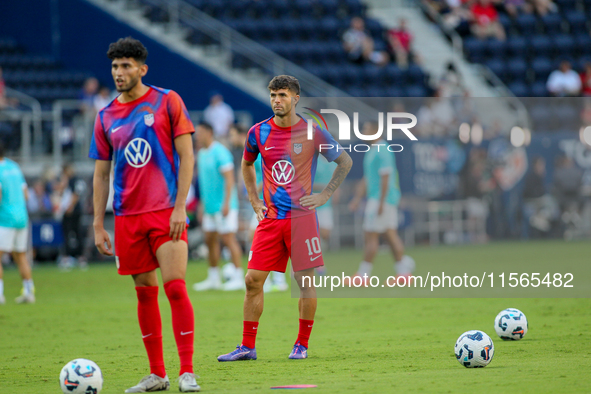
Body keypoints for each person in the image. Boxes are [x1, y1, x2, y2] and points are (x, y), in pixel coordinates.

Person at [89, 37, 199, 392]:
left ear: (141, 68)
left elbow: (187, 156)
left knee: (176, 287)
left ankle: (187, 372)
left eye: (125, 66)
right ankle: (158, 374)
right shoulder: (105, 116)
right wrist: (97, 224)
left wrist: (181, 205)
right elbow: (101, 173)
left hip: (166, 211)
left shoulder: (167, 101)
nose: (119, 73)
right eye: (115, 67)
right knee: (144, 293)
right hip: (127, 217)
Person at [217, 75, 352, 361]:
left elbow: (345, 161)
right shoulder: (258, 132)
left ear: (295, 98)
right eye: (273, 95)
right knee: (253, 280)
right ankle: (247, 347)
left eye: (282, 95)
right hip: (270, 219)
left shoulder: (312, 132)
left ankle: (301, 344)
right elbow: (246, 164)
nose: (277, 100)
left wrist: (324, 195)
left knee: (304, 281)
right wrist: (253, 199)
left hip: (301, 219)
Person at [348, 121, 415, 286]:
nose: (363, 132)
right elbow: (368, 177)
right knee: (390, 235)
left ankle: (363, 275)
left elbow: (386, 177)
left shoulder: (382, 150)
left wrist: (381, 202)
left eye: (366, 128)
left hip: (381, 199)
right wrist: (357, 198)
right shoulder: (374, 150)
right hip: (381, 198)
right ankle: (404, 273)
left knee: (370, 235)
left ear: (376, 131)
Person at [192, 121, 244, 291]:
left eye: (199, 132)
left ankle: (238, 277)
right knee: (210, 239)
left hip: (224, 205)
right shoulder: (200, 154)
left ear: (209, 132)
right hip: (209, 207)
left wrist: (227, 203)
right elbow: (203, 183)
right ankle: (213, 278)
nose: (197, 136)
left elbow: (230, 180)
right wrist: (201, 205)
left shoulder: (221, 152)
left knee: (228, 239)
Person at [0, 142, 35, 305]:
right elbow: (26, 195)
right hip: (22, 216)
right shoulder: (14, 167)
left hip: (6, 218)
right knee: (21, 256)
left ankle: (0, 294)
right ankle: (29, 291)